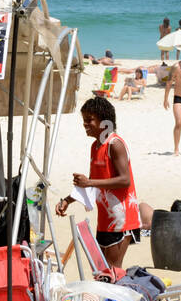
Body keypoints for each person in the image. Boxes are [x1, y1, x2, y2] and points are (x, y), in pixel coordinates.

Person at [54, 97, 142, 268]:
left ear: (104, 120)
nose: (85, 124)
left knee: (112, 270)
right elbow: (92, 184)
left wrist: (89, 182)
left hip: (121, 219)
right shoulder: (95, 147)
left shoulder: (115, 145)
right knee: (101, 269)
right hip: (105, 218)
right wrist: (67, 200)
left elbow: (125, 180)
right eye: (84, 120)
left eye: (89, 120)